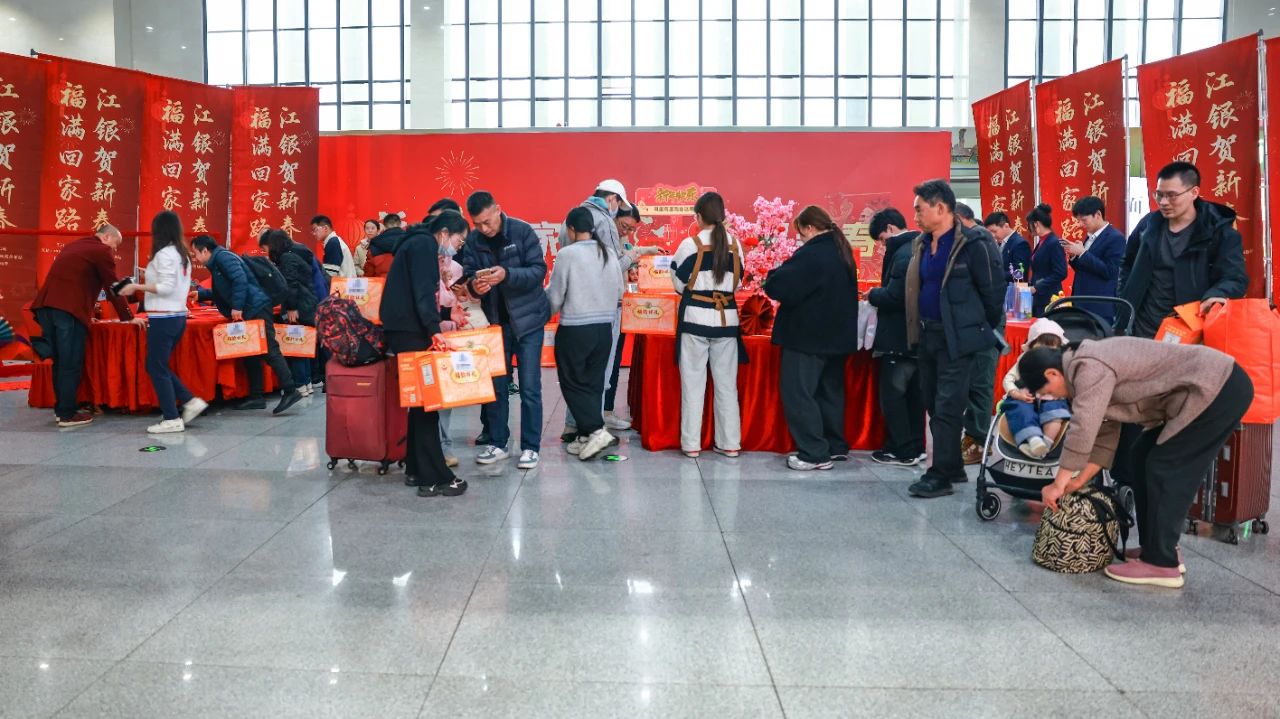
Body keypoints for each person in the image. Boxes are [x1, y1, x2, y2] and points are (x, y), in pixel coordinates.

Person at [1018, 338, 1253, 589]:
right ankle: (1155, 548)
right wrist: (1077, 481)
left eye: (1045, 391)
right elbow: (1105, 433)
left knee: (1165, 467)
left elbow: (1083, 428)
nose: (1049, 397)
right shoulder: (1082, 371)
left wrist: (1057, 484)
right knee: (1141, 455)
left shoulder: (1088, 366)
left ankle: (1162, 563)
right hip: (1202, 391)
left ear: (1052, 373)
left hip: (1217, 387)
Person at [904, 179, 1005, 498]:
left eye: (919, 209)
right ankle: (954, 467)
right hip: (928, 334)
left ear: (940, 208)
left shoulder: (974, 243)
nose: (915, 216)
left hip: (958, 339)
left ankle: (939, 476)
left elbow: (993, 293)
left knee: (948, 405)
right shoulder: (922, 243)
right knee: (933, 403)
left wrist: (975, 328)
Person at [764, 205, 859, 471]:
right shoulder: (841, 251)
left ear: (809, 228)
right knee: (830, 394)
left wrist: (771, 275)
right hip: (836, 339)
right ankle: (834, 446)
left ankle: (814, 453)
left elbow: (779, 285)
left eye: (801, 233)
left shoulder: (813, 253)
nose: (800, 238)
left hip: (807, 338)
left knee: (799, 393)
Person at [460, 191, 551, 470]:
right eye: (477, 224)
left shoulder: (522, 232)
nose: (484, 228)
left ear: (498, 210)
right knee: (497, 387)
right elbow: (468, 275)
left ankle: (531, 447)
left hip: (528, 322)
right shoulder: (474, 241)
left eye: (487, 221)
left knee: (530, 387)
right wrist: (476, 285)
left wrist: (507, 275)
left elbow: (538, 271)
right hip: (495, 324)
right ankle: (498, 443)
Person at [380, 211, 466, 497]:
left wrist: (442, 317)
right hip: (410, 330)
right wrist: (434, 329)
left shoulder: (415, 242)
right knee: (428, 402)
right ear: (444, 232)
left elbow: (416, 294)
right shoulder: (424, 245)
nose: (458, 246)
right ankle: (436, 477)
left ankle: (416, 469)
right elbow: (422, 292)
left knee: (419, 403)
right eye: (459, 239)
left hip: (403, 327)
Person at [1119, 161, 1248, 339]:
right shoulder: (1148, 226)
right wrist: (1123, 300)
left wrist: (1217, 294)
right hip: (1142, 329)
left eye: (1172, 196)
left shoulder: (1220, 232)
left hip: (1191, 329)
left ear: (1194, 192)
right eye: (1159, 195)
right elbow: (1127, 263)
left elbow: (1235, 278)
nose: (1163, 202)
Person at [557, 179, 638, 440]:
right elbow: (615, 266)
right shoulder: (604, 220)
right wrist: (633, 256)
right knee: (598, 373)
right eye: (618, 205)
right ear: (612, 199)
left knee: (576, 374)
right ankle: (593, 430)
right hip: (603, 309)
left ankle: (573, 425)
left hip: (573, 311)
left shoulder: (571, 217)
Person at [31, 224, 134, 427]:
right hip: (68, 311)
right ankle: (67, 414)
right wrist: (128, 317)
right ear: (106, 237)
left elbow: (76, 282)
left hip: (47, 308)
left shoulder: (74, 246)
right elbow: (113, 286)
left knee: (60, 361)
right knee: (70, 362)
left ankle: (62, 410)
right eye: (115, 244)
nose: (114, 250)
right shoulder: (101, 250)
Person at [114, 212, 209, 434]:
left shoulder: (164, 254)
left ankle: (172, 417)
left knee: (156, 366)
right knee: (157, 365)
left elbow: (166, 287)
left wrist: (136, 287)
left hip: (164, 317)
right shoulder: (181, 254)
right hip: (176, 316)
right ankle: (188, 401)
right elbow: (173, 284)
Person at [191, 235, 303, 415]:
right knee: (252, 354)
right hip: (251, 308)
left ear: (205, 250)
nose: (195, 258)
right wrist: (202, 295)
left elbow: (240, 280)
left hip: (256, 307)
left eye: (195, 253)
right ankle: (256, 396)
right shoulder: (219, 260)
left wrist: (237, 306)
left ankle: (290, 390)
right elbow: (226, 287)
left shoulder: (222, 257)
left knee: (269, 349)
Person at [547, 207, 625, 460]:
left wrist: (541, 311)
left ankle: (595, 430)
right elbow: (620, 291)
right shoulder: (609, 253)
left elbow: (555, 297)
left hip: (575, 329)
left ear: (570, 229)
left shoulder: (567, 254)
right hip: (604, 329)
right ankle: (585, 435)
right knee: (593, 384)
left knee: (571, 383)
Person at [671, 192, 744, 459]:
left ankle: (691, 444)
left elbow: (678, 282)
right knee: (727, 386)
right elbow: (738, 282)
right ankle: (730, 443)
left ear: (699, 217)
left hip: (695, 321)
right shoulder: (735, 245)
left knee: (693, 385)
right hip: (727, 322)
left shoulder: (689, 245)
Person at [866, 208, 925, 466]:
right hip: (917, 337)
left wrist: (873, 295)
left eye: (881, 239)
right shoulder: (919, 246)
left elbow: (895, 296)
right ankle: (915, 447)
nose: (882, 246)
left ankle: (902, 450)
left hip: (899, 337)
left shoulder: (902, 253)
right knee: (914, 397)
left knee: (894, 396)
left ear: (890, 228)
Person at [957, 202, 1003, 465]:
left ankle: (978, 442)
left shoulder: (980, 241)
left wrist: (985, 325)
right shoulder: (973, 239)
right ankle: (973, 437)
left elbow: (992, 291)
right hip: (974, 323)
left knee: (980, 384)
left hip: (984, 324)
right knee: (973, 382)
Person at [259, 229, 320, 397]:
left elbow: (290, 284)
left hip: (299, 306)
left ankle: (300, 384)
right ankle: (306, 383)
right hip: (306, 303)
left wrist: (292, 308)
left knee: (295, 346)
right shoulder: (295, 255)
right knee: (302, 344)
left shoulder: (287, 258)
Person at [998, 318, 1070, 459]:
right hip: (1026, 396)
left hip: (1052, 396)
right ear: (1031, 345)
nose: (1046, 350)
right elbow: (1009, 379)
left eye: (1052, 347)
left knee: (1055, 413)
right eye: (1041, 345)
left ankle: (1046, 445)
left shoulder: (1060, 362)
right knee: (1020, 409)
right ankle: (1034, 440)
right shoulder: (1026, 359)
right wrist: (1015, 393)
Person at [1062, 196, 1126, 324]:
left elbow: (1110, 271)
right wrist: (1075, 256)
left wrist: (1082, 253)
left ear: (1098, 214)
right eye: (1079, 220)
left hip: (1099, 306)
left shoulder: (1115, 237)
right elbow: (1086, 268)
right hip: (1082, 302)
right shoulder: (1090, 237)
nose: (1081, 224)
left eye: (1084, 220)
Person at [1025, 204, 1068, 317]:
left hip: (1049, 298)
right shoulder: (1042, 241)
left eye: (1029, 225)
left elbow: (1061, 272)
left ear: (1036, 224)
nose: (1028, 229)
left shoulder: (1053, 242)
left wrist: (1037, 288)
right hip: (1039, 298)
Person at [984, 211, 1032, 284]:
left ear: (1006, 226)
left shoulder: (1020, 244)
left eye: (994, 231)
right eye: (990, 232)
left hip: (1013, 289)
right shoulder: (999, 243)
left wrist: (994, 274)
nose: (993, 235)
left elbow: (1019, 273)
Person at [362, 212, 408, 278]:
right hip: (404, 281)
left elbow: (369, 272)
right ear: (400, 224)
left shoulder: (375, 243)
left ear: (384, 225)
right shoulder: (409, 240)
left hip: (381, 282)